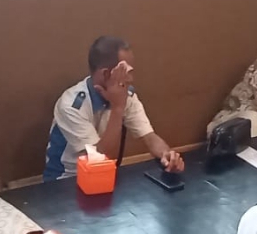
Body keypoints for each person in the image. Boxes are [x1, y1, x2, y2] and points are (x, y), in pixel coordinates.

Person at [44, 36, 184, 181]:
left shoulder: (126, 95)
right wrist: (118, 108)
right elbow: (99, 159)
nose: (130, 79)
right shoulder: (71, 105)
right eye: (126, 71)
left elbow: (150, 137)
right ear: (106, 74)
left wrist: (167, 156)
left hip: (104, 176)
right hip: (66, 180)